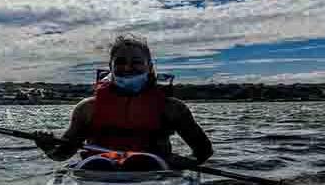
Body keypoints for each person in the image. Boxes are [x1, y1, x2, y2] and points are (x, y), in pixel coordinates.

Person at [35, 34, 213, 170]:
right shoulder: (86, 108)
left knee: (145, 163)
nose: (128, 68)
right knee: (97, 165)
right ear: (110, 68)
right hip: (97, 171)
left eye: (136, 62)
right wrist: (48, 147)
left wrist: (185, 163)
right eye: (120, 62)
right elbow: (62, 155)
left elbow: (203, 152)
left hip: (153, 172)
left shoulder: (172, 108)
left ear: (149, 67)